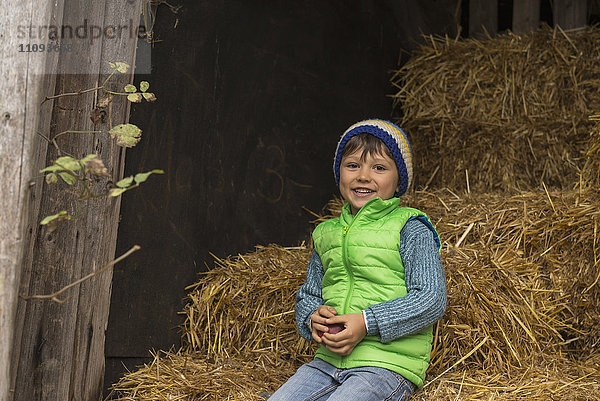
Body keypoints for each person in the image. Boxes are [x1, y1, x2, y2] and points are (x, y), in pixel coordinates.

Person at [269, 119, 447, 401]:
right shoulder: (326, 233)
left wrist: (367, 322)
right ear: (339, 173)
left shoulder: (410, 227)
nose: (363, 176)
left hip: (385, 365)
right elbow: (310, 294)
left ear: (399, 180)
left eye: (378, 167)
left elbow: (431, 298)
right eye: (352, 165)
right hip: (326, 362)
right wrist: (311, 318)